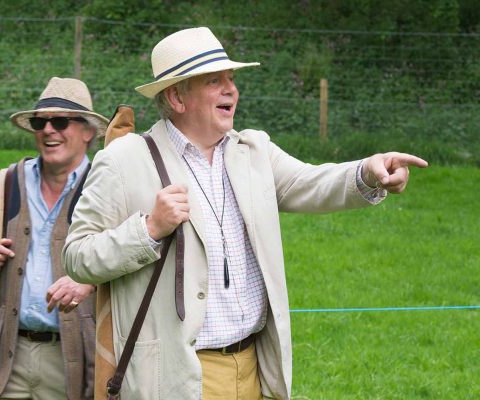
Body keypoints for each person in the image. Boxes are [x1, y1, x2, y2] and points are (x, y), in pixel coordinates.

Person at [62, 28, 428, 400]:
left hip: (252, 367)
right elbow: (77, 256)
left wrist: (368, 170)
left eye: (232, 79)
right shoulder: (124, 160)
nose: (231, 90)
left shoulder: (253, 151)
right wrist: (149, 229)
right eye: (214, 81)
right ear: (176, 96)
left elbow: (313, 182)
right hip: (175, 376)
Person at [0, 77, 109, 400]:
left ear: (88, 132)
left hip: (73, 359)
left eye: (60, 122)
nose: (48, 131)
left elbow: (125, 260)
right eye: (40, 122)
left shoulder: (104, 185)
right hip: (5, 353)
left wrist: (90, 281)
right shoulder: (11, 179)